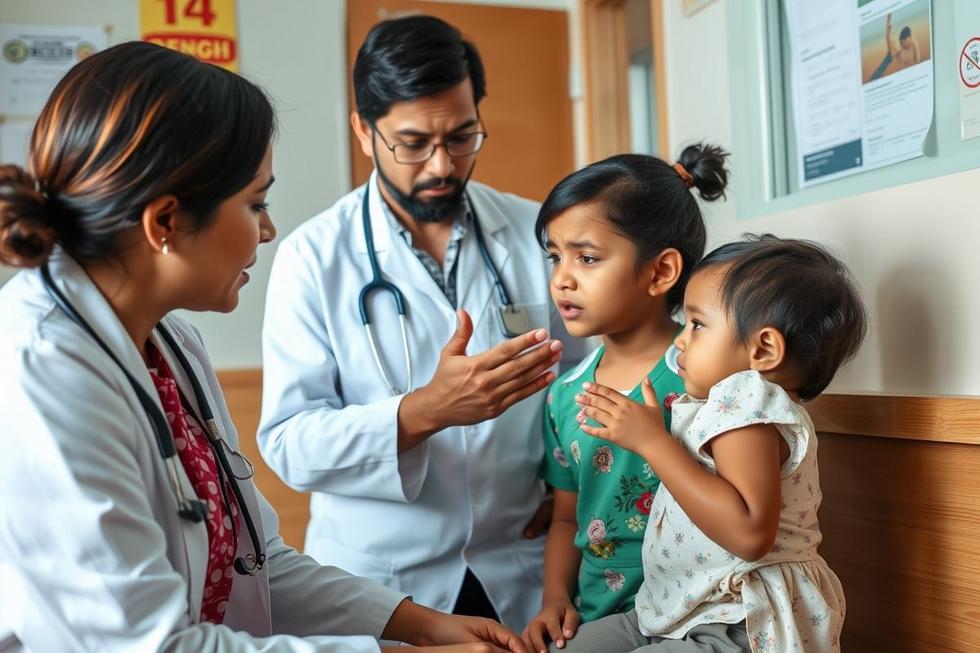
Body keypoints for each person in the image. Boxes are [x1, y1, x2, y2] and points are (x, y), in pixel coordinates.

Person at [0, 41, 530, 653]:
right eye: (256, 203)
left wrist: (418, 624)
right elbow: (148, 646)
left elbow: (258, 561)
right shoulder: (43, 371)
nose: (270, 229)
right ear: (165, 222)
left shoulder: (170, 342)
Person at [258, 15, 580, 630]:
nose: (441, 165)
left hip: (524, 570)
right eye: (412, 144)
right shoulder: (312, 257)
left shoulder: (536, 231)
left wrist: (568, 490)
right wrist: (423, 411)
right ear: (363, 130)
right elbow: (289, 443)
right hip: (383, 582)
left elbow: (594, 375)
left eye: (462, 137)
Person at [564, 234, 867, 652]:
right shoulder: (722, 406)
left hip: (741, 620)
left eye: (697, 324)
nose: (680, 340)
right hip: (679, 609)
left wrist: (654, 443)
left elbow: (748, 535)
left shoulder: (749, 408)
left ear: (763, 349)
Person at [521, 147, 729, 653]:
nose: (562, 278)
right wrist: (553, 598)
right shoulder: (564, 395)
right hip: (599, 619)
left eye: (587, 258)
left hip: (697, 615)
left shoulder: (710, 383)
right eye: (555, 256)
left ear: (660, 273)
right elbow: (566, 517)